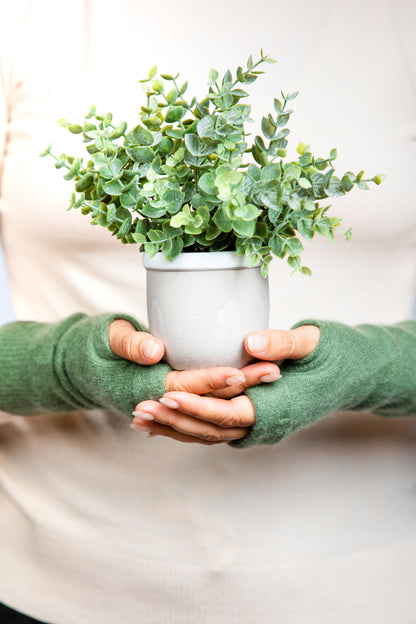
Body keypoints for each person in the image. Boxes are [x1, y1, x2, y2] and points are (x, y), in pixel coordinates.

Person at [1, 1, 415, 623]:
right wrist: (66, 365)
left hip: (371, 589)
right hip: (53, 584)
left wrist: (369, 368)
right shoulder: (29, 18)